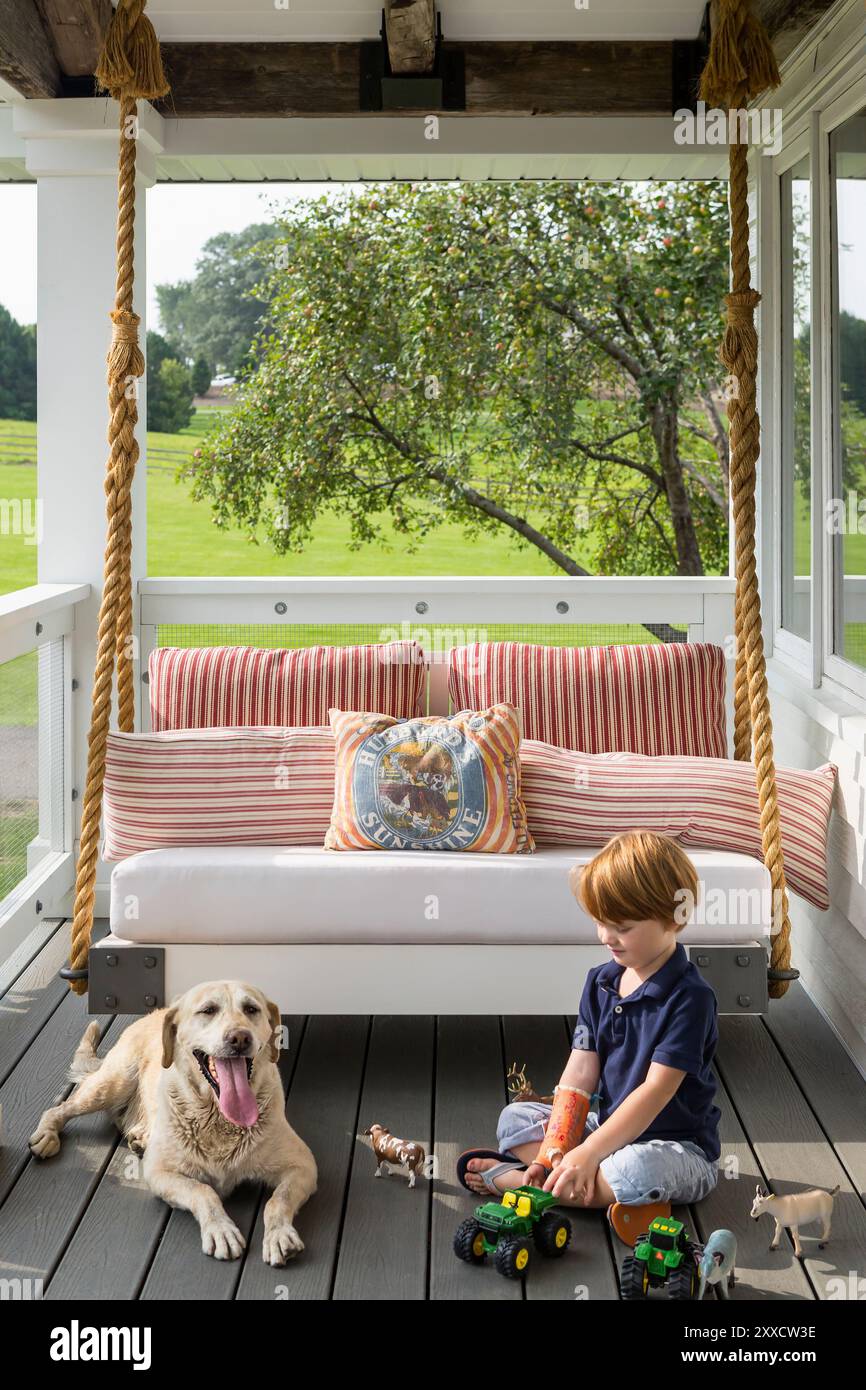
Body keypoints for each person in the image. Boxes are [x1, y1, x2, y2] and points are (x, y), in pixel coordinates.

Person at [460, 830, 721, 1243]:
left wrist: (588, 1152)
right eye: (600, 922)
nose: (605, 936)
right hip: (608, 1128)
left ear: (675, 917)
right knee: (515, 1120)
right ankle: (569, 1181)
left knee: (636, 1170)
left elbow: (654, 1094)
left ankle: (522, 1188)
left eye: (622, 926)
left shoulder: (690, 999)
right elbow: (580, 1073)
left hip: (674, 1146)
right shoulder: (600, 982)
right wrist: (556, 1150)